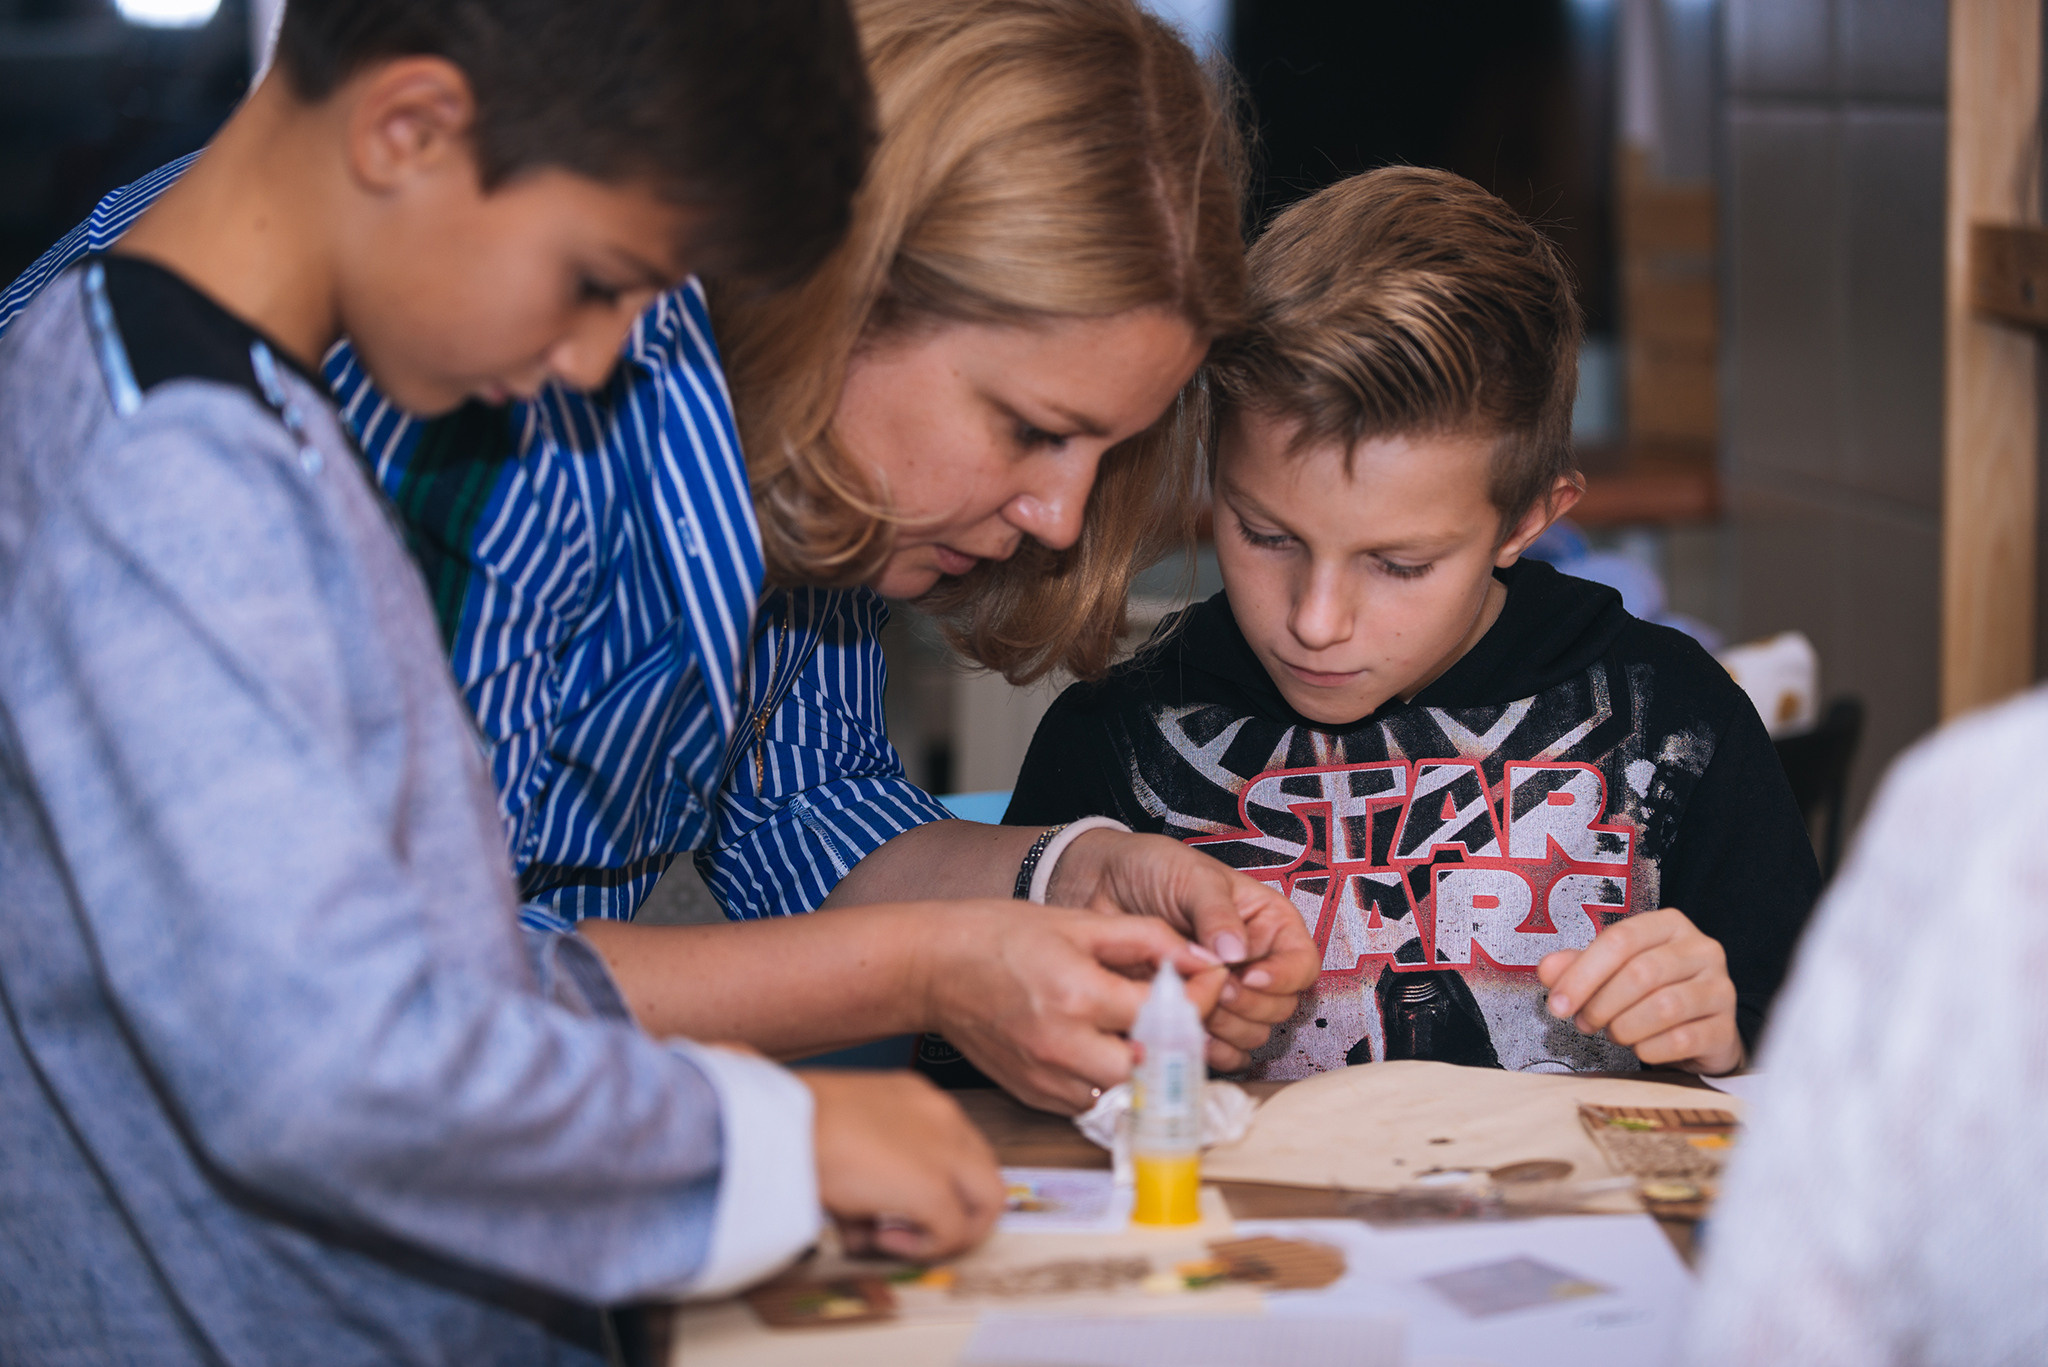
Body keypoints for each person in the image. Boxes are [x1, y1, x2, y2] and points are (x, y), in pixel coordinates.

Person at [0, 0, 1320, 1116]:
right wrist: (917, 980)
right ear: (842, 289)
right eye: (1032, 429)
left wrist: (1063, 882)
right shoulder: (486, 365)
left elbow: (806, 809)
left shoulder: (812, 463)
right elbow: (405, 980)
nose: (1059, 516)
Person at [0, 3, 1003, 1362]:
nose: (598, 359)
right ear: (408, 129)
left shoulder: (246, 422)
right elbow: (328, 1065)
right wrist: (766, 1138)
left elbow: (440, 969)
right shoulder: (171, 481)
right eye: (599, 281)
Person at [1007, 167, 1819, 1079]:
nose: (1315, 621)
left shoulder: (1673, 716)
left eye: (1399, 565)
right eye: (1264, 533)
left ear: (1527, 521)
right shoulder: (1114, 742)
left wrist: (1735, 1031)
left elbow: (1832, 1069)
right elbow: (995, 1091)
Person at [1685, 689, 2048, 1363]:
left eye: (1419, 572)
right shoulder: (1978, 799)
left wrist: (1735, 1022)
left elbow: (1787, 1317)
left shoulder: (1982, 803)